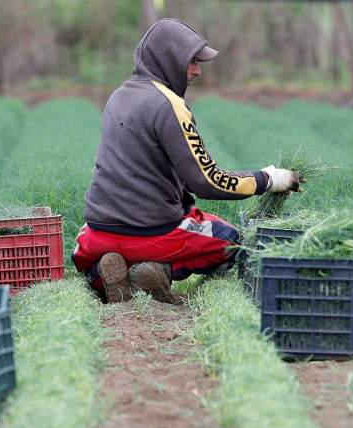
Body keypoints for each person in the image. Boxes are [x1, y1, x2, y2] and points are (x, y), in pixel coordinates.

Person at [71, 18, 301, 304]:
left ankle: (105, 273)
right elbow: (206, 181)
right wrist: (267, 179)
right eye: (192, 61)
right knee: (232, 241)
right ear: (170, 60)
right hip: (154, 235)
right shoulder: (168, 104)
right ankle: (161, 270)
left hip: (96, 236)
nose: (197, 71)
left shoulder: (118, 96)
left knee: (87, 256)